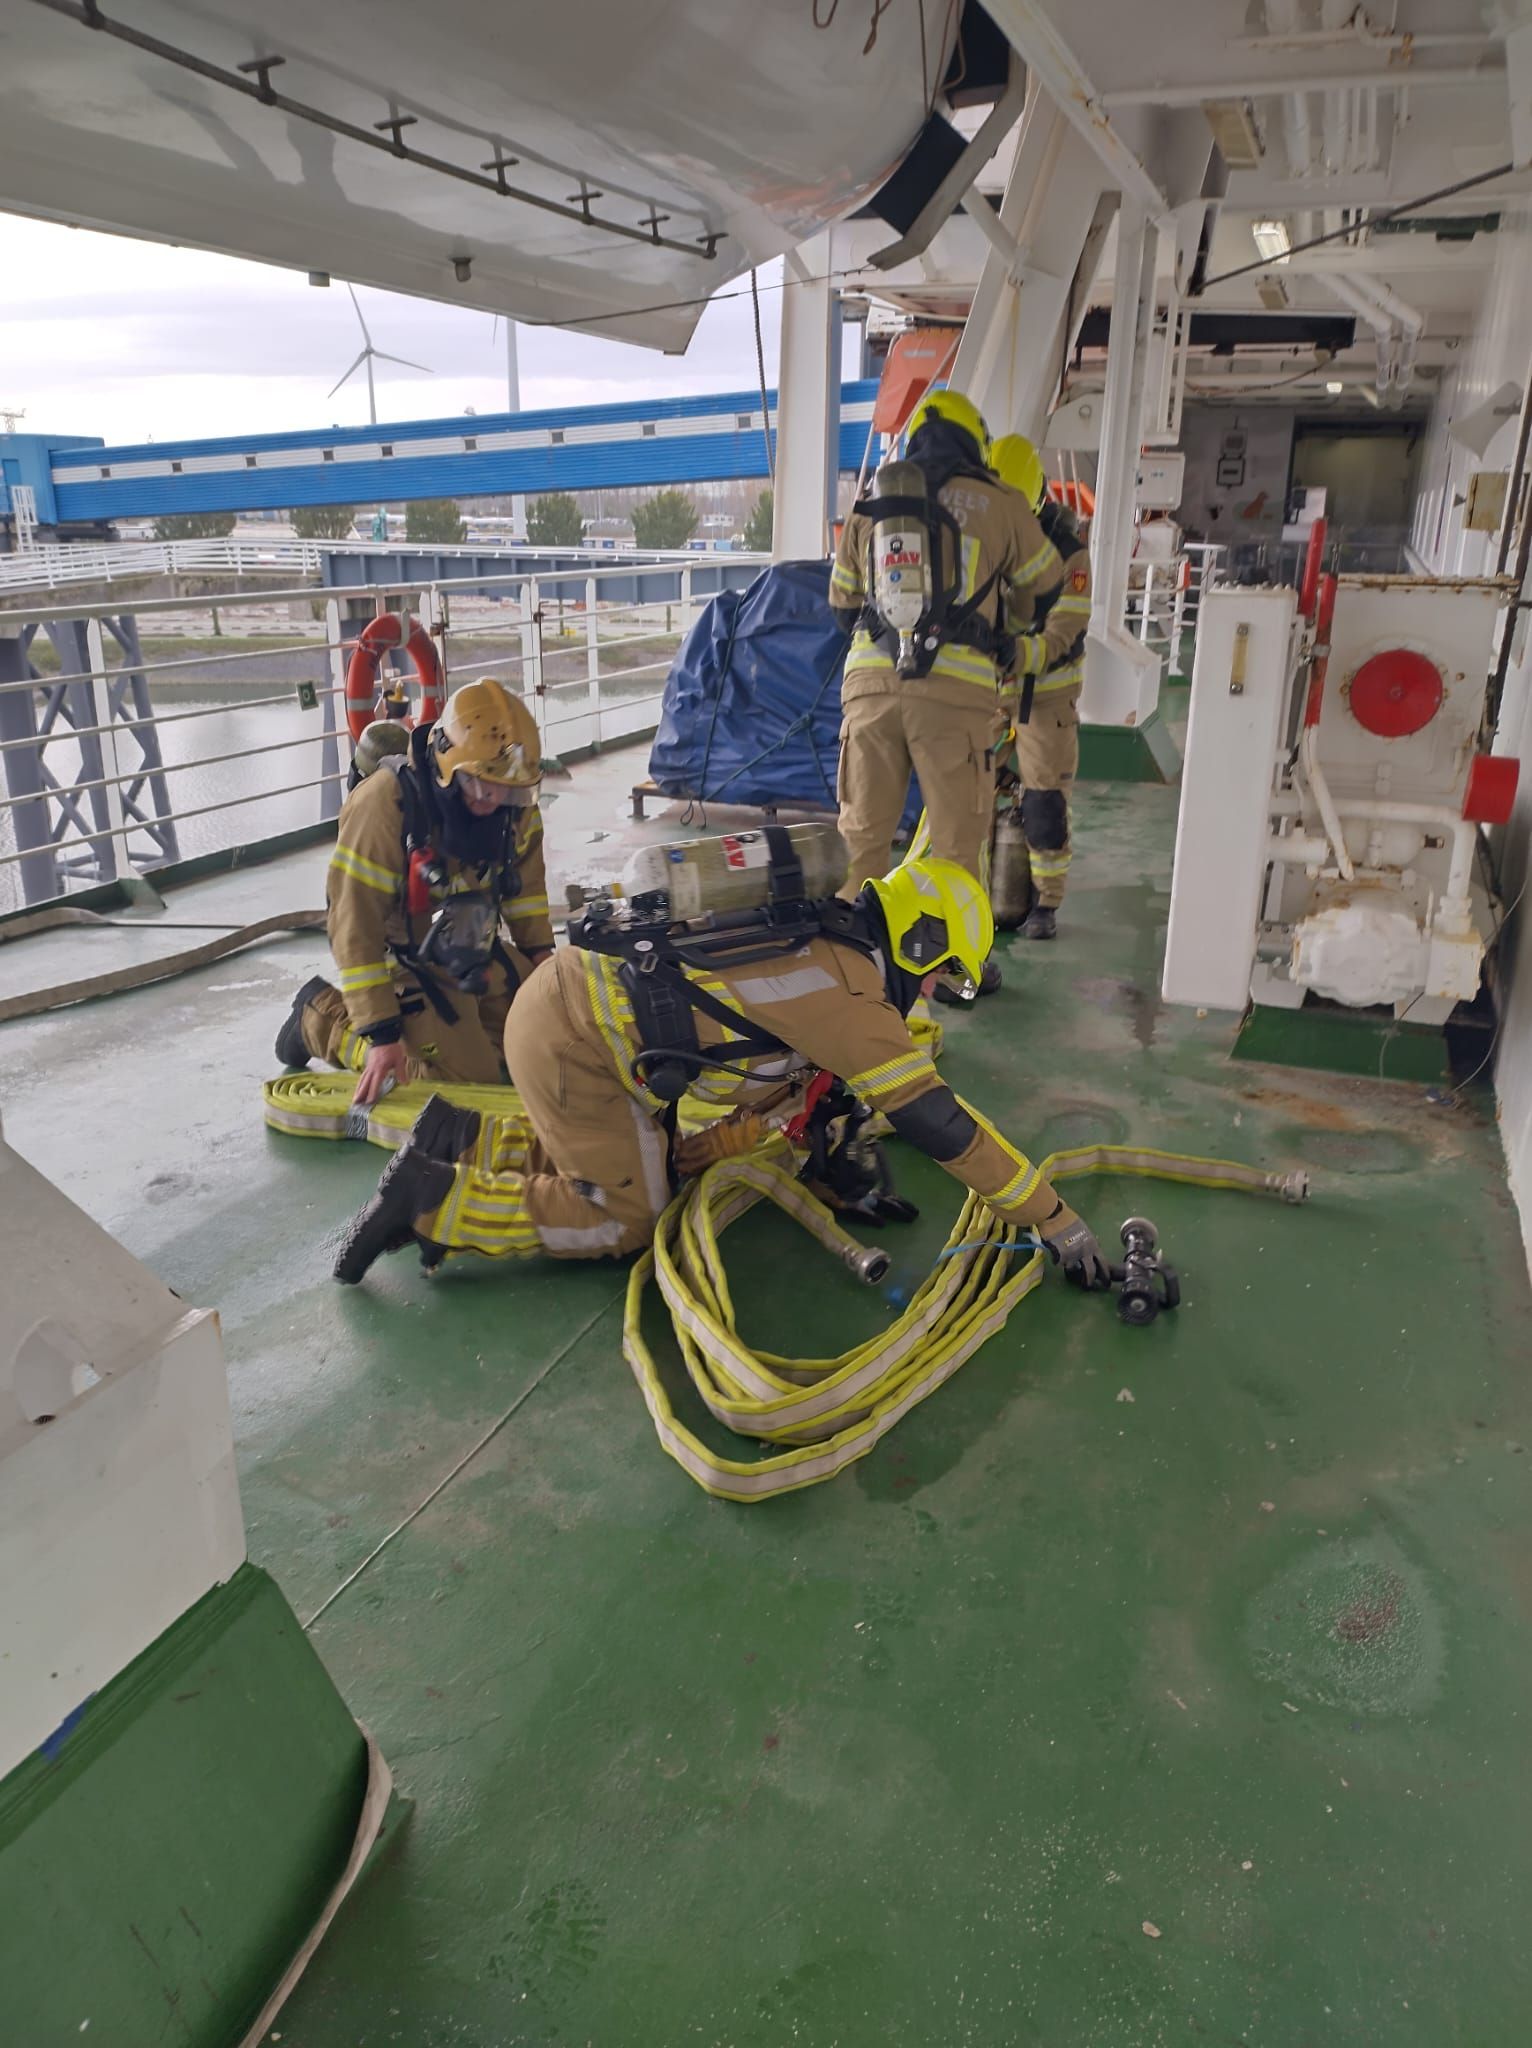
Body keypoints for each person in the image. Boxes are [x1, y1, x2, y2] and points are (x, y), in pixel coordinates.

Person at [331, 849, 1109, 1289]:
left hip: (570, 1006)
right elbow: (938, 1122)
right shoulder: (851, 996)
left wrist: (836, 1179)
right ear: (919, 942)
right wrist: (1052, 1218)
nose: (935, 993)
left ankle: (461, 1136)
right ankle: (432, 1201)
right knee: (627, 1217)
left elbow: (801, 1084)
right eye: (941, 974)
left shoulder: (831, 940)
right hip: (578, 1045)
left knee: (644, 1161)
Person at [827, 389, 1083, 980]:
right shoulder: (1000, 501)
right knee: (956, 842)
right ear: (977, 443)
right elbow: (1045, 586)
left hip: (868, 687)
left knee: (861, 836)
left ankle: (844, 966)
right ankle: (954, 971)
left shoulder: (872, 503)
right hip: (954, 697)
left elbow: (840, 606)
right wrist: (1004, 627)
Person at [274, 678, 553, 1104]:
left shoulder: (511, 801)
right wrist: (382, 1033)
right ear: (447, 768)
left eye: (507, 789)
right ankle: (322, 1021)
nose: (494, 799)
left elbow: (525, 888)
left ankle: (459, 1039)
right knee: (463, 1085)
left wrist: (542, 961)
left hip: (469, 946)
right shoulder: (384, 807)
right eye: (482, 786)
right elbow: (354, 927)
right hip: (404, 960)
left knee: (539, 1037)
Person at [989, 433, 1093, 941]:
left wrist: (1018, 654)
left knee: (1043, 801)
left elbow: (1066, 626)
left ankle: (1045, 902)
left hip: (1044, 695)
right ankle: (975, 889)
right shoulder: (985, 535)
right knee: (965, 790)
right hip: (989, 692)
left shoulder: (1068, 553)